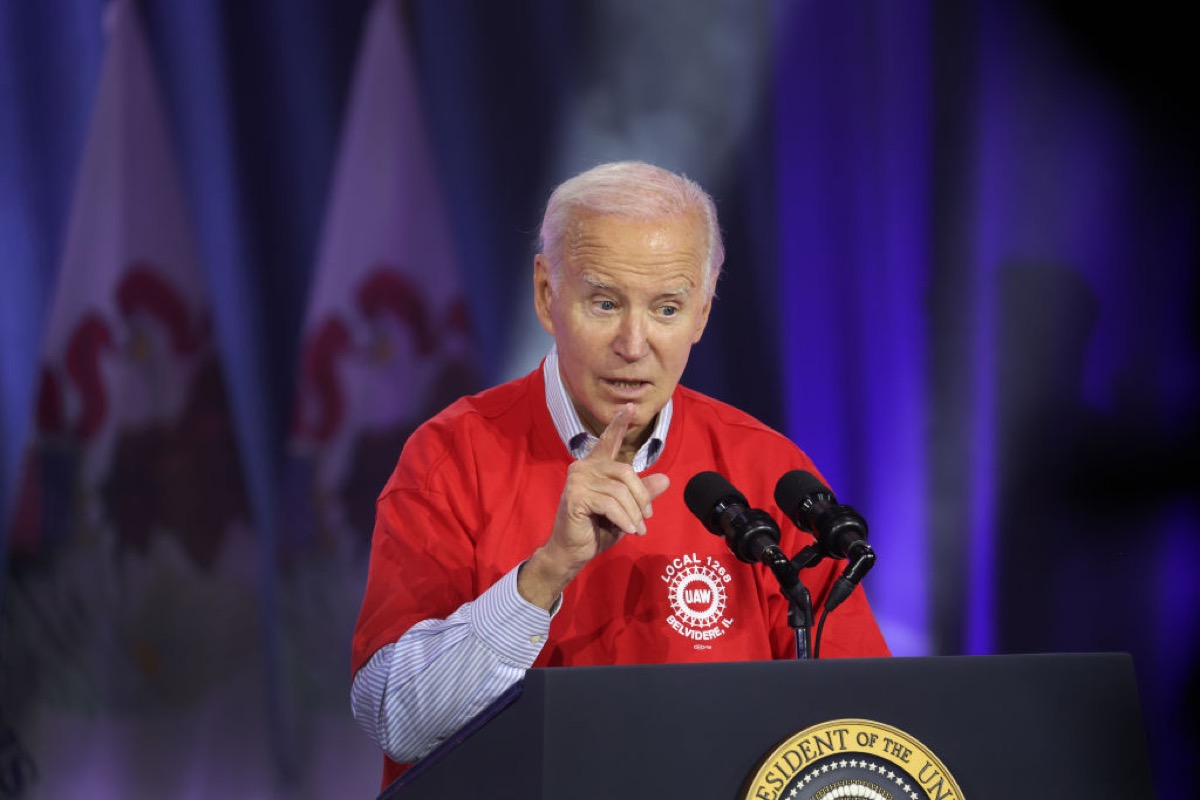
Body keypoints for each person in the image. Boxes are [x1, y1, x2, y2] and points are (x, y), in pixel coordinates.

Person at [350, 161, 890, 786]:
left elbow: (862, 732)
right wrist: (545, 573)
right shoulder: (451, 458)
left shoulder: (767, 469)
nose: (634, 345)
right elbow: (398, 719)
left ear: (703, 314)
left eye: (666, 309)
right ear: (548, 296)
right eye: (604, 303)